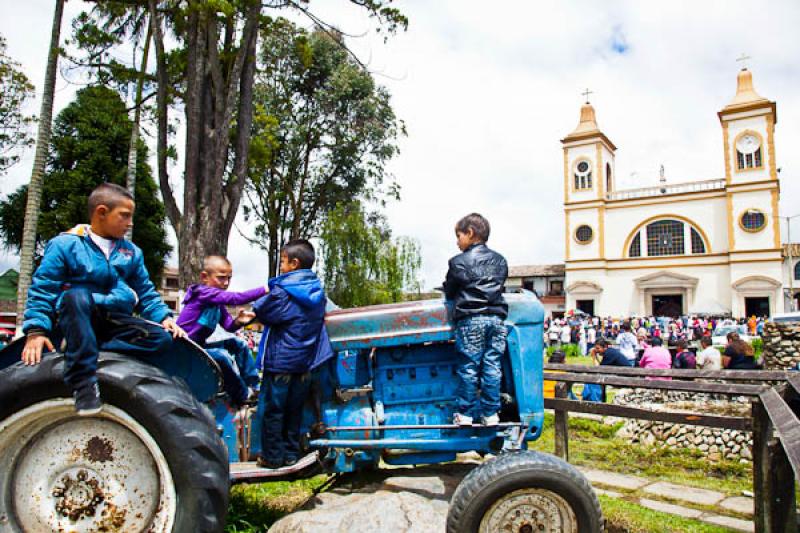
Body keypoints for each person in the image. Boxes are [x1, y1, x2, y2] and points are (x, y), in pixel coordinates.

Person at [20, 183, 182, 415]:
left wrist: (163, 317)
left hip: (114, 319)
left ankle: (87, 347)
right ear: (102, 212)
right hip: (78, 314)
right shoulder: (66, 244)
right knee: (75, 296)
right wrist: (36, 332)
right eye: (124, 216)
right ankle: (84, 382)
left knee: (161, 339)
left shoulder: (131, 252)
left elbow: (145, 291)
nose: (130, 223)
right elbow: (43, 288)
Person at [253, 239, 333, 468]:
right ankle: (291, 453)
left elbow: (262, 310)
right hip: (305, 362)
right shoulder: (317, 291)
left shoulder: (283, 291)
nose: (280, 267)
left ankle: (272, 457)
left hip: (281, 361)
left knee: (273, 410)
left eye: (283, 262)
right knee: (294, 410)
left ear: (294, 264)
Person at [443, 213, 508, 427]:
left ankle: (466, 414)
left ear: (470, 233)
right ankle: (491, 414)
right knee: (492, 366)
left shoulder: (458, 262)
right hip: (497, 320)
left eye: (459, 235)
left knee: (469, 367)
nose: (457, 241)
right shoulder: (500, 260)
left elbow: (450, 291)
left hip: (472, 320)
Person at [177, 255, 266, 407]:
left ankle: (255, 386)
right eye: (221, 278)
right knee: (221, 356)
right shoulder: (203, 293)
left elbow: (229, 326)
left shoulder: (217, 304)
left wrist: (240, 321)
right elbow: (237, 298)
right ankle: (242, 395)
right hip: (185, 349)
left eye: (229, 279)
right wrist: (266, 288)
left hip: (200, 346)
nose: (225, 283)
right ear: (205, 277)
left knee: (238, 344)